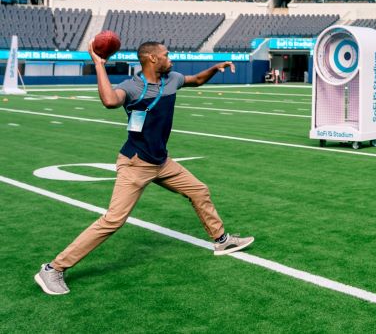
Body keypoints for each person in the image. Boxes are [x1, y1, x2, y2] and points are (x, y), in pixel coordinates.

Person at [35, 40, 254, 296]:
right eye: (166, 54)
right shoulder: (131, 87)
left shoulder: (171, 78)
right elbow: (109, 101)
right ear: (151, 58)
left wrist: (215, 68)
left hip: (162, 162)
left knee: (199, 190)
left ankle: (221, 241)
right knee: (113, 220)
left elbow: (195, 80)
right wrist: (99, 65)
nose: (170, 57)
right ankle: (53, 268)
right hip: (136, 164)